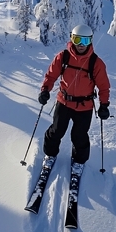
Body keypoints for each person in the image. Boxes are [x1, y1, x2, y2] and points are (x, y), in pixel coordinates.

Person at [37, 24, 110, 168]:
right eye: (77, 40)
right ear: (72, 39)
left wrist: (104, 105)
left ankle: (78, 162)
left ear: (90, 41)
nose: (81, 45)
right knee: (56, 130)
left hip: (84, 106)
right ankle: (50, 154)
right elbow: (51, 75)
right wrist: (45, 90)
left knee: (80, 135)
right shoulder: (63, 57)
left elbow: (104, 86)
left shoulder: (96, 63)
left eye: (85, 41)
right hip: (64, 102)